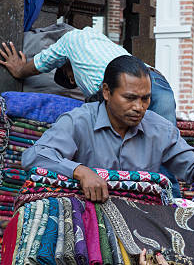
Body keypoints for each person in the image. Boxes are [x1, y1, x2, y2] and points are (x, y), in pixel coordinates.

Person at [22, 55, 194, 221]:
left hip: (140, 226)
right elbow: (34, 157)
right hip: (85, 223)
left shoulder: (158, 129)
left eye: (145, 99)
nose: (139, 107)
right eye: (130, 98)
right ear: (106, 91)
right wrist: (80, 171)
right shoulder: (78, 121)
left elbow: (193, 163)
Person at [0, 26, 180, 193]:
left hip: (126, 86)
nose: (73, 81)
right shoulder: (101, 41)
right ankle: (170, 205)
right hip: (156, 79)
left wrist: (20, 69)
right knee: (165, 152)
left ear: (65, 64)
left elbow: (41, 63)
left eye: (69, 76)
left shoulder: (69, 40)